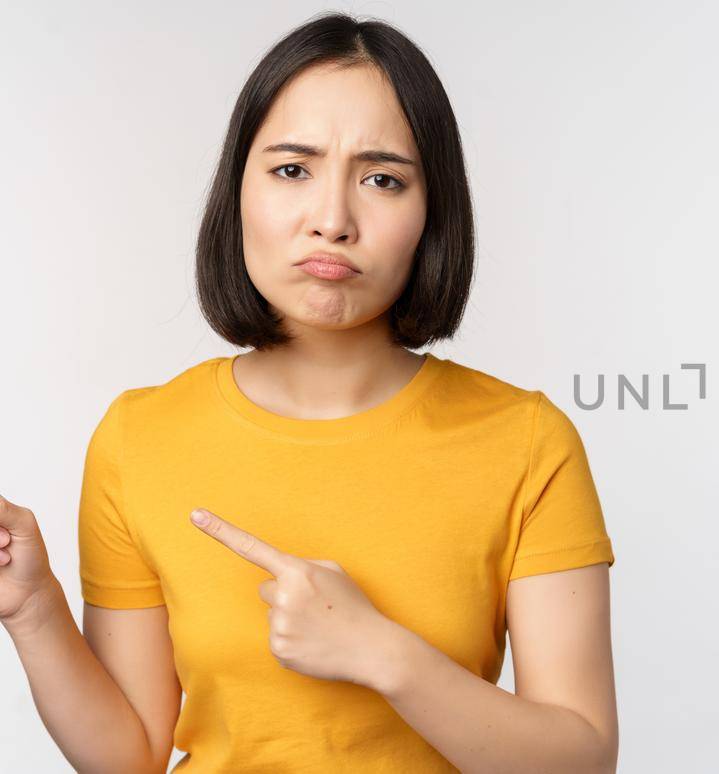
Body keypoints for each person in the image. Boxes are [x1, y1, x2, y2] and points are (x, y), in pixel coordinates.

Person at [0, 12, 618, 773]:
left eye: (383, 179)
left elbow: (581, 760)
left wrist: (383, 654)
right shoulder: (139, 438)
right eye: (292, 169)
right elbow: (129, 759)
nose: (331, 220)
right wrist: (33, 611)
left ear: (432, 215)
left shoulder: (525, 441)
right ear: (239, 191)